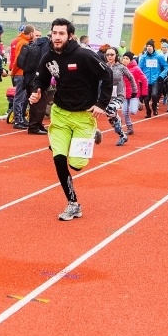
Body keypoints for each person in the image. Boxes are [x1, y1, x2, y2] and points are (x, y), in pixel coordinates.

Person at [29, 18, 113, 221]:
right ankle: (73, 203)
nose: (57, 37)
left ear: (70, 36)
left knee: (76, 164)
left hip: (84, 116)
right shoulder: (47, 56)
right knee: (59, 159)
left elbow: (107, 74)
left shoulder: (84, 55)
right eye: (54, 33)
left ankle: (92, 135)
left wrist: (101, 104)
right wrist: (36, 91)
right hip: (60, 114)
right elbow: (40, 78)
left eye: (61, 34)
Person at [103, 47, 136, 146]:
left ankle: (117, 119)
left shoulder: (121, 67)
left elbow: (131, 78)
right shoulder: (104, 67)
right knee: (111, 118)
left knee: (110, 109)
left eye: (112, 54)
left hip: (119, 95)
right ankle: (122, 135)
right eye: (107, 54)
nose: (109, 57)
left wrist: (134, 91)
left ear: (116, 55)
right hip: (108, 96)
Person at [9, 25, 35, 129]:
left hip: (21, 73)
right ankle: (17, 120)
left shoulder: (22, 41)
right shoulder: (23, 43)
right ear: (31, 33)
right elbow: (18, 59)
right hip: (20, 73)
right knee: (19, 97)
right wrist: (14, 72)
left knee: (22, 97)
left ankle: (20, 119)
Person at [26, 30, 52, 135]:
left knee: (40, 102)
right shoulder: (46, 47)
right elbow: (44, 62)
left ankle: (37, 124)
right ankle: (34, 127)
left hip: (31, 76)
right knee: (39, 103)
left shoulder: (37, 44)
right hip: (37, 78)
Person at [138, 39, 168, 118]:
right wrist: (141, 77)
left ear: (153, 47)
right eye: (147, 46)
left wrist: (161, 76)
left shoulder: (159, 56)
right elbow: (139, 68)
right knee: (146, 97)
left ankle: (154, 107)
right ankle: (148, 111)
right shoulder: (144, 57)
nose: (149, 47)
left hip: (155, 80)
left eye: (150, 46)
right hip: (146, 80)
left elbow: (166, 67)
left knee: (154, 95)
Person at [121, 51, 148, 136]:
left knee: (133, 111)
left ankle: (138, 104)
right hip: (124, 94)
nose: (125, 60)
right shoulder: (120, 68)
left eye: (127, 59)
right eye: (124, 58)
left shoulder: (136, 69)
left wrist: (144, 93)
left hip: (134, 93)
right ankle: (129, 128)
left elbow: (144, 79)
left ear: (131, 60)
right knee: (124, 112)